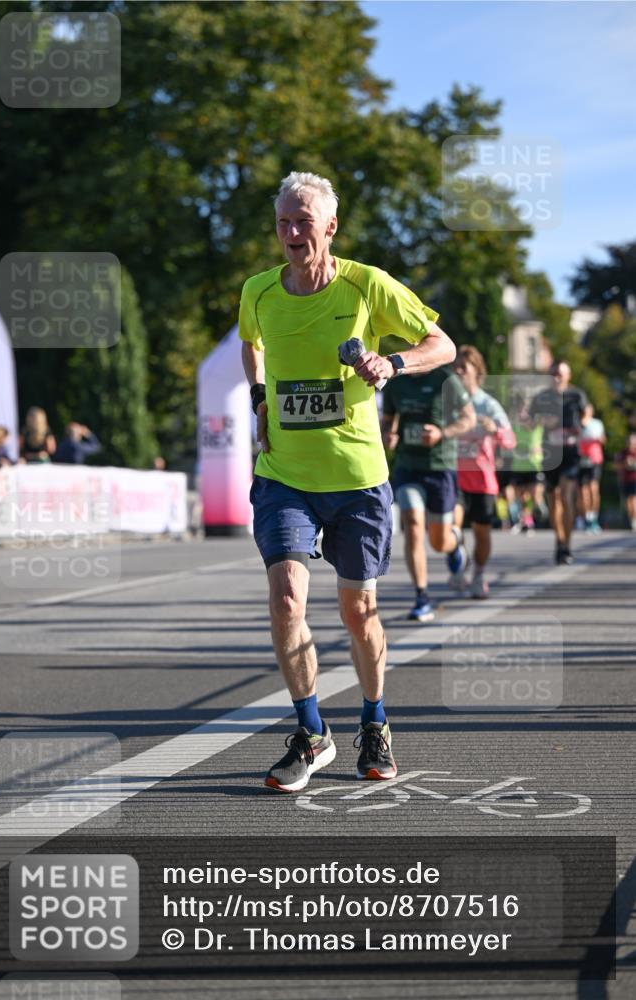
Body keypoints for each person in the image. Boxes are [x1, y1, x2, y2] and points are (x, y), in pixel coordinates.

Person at [240, 171, 455, 792]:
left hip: (358, 478)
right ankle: (310, 732)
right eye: (283, 221)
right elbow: (250, 344)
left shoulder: (367, 286)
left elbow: (440, 345)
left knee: (358, 612)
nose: (290, 232)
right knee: (286, 599)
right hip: (284, 474)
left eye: (303, 221)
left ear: (330, 227)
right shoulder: (257, 291)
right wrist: (260, 398)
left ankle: (374, 719)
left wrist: (391, 362)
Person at [381, 360, 475, 622]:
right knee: (412, 524)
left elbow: (469, 418)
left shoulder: (446, 379)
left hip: (439, 467)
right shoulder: (395, 381)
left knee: (438, 541)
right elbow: (388, 422)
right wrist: (389, 436)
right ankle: (421, 597)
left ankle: (454, 542)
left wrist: (441, 433)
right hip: (408, 466)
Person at [452, 345, 515, 598]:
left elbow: (510, 440)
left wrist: (495, 430)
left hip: (482, 478)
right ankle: (458, 561)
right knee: (451, 526)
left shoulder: (488, 404)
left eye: (463, 368)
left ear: (476, 371)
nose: (457, 372)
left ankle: (478, 574)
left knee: (482, 532)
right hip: (453, 475)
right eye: (454, 367)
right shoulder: (447, 400)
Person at [528, 361, 587, 565]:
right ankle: (559, 541)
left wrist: (583, 423)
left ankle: (567, 544)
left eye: (560, 373)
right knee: (554, 500)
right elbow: (529, 419)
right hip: (550, 452)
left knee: (566, 495)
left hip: (570, 451)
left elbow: (587, 410)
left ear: (568, 375)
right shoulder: (542, 397)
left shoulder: (576, 395)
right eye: (553, 373)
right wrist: (540, 421)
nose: (557, 377)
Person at [578, 403, 606, 532]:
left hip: (594, 459)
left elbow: (603, 439)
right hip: (580, 461)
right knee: (583, 492)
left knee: (593, 489)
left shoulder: (597, 423)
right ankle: (586, 518)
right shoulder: (576, 423)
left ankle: (594, 517)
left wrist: (598, 439)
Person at [616, 432, 636, 532]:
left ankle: (634, 520)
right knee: (628, 502)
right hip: (626, 480)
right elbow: (617, 466)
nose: (631, 444)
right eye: (629, 442)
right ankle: (632, 520)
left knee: (634, 500)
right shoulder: (623, 453)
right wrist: (625, 463)